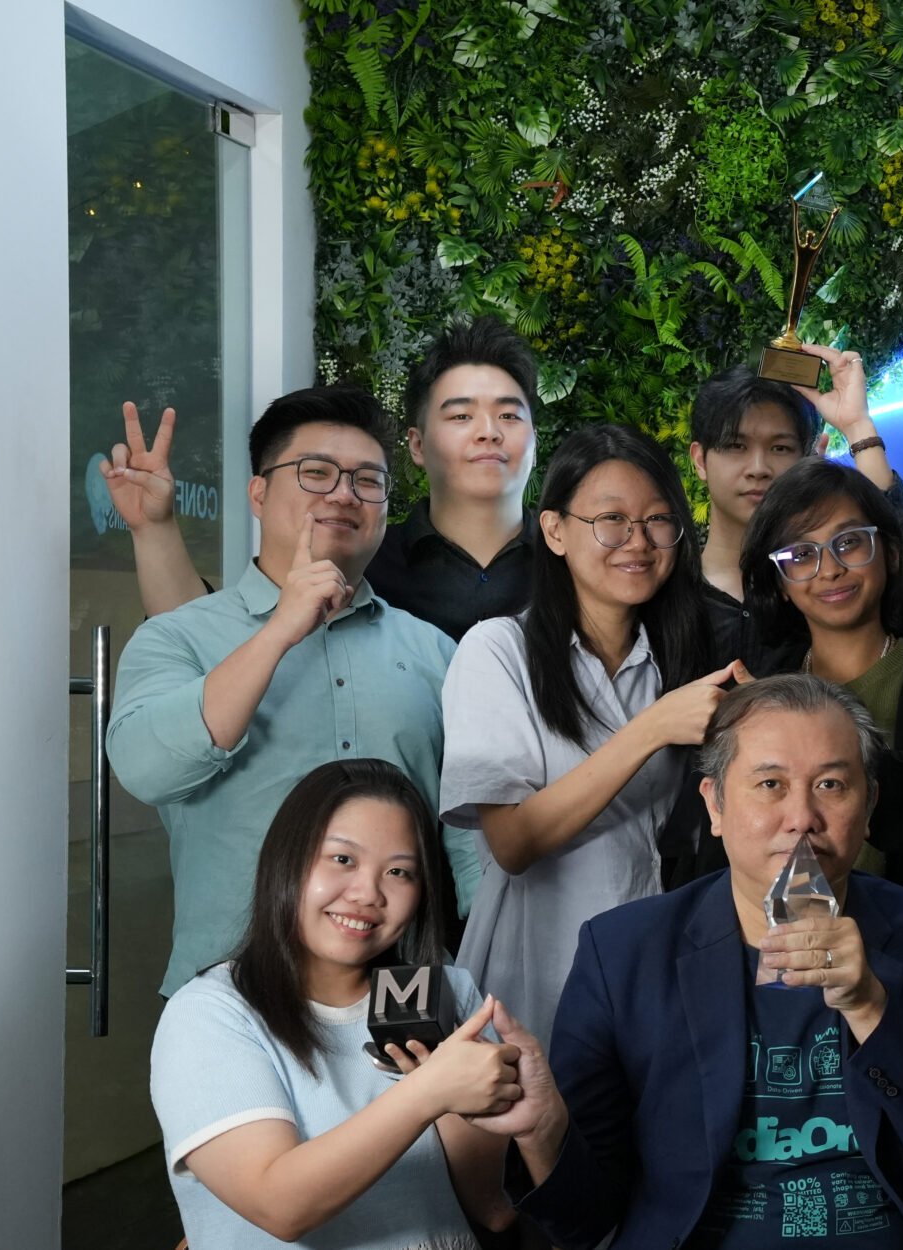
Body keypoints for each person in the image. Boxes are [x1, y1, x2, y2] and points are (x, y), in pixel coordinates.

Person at [477, 673, 903, 1248]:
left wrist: (872, 1008)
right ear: (713, 804)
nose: (802, 817)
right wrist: (542, 1131)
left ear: (870, 806)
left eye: (832, 784)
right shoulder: (623, 954)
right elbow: (584, 1222)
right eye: (769, 784)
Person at [108, 386, 466, 995]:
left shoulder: (435, 652)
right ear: (258, 493)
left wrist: (482, 974)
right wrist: (280, 629)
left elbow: (467, 838)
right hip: (228, 990)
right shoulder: (177, 636)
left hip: (399, 999)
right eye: (316, 473)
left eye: (367, 480)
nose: (344, 494)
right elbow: (147, 771)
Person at [440, 424, 741, 1046]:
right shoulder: (498, 651)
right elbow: (513, 843)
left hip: (654, 973)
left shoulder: (680, 659)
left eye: (658, 521)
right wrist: (652, 730)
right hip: (533, 982)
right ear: (554, 531)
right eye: (611, 520)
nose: (638, 541)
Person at [149, 758, 524, 1250]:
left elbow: (487, 1207)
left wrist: (466, 1106)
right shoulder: (210, 1014)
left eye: (398, 872)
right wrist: (428, 1093)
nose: (368, 893)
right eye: (342, 859)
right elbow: (280, 1206)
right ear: (286, 859)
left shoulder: (449, 992)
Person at [102, 316, 542, 638]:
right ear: (418, 445)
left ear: (535, 440)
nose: (489, 432)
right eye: (462, 415)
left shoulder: (579, 556)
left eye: (508, 414)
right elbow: (210, 639)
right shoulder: (356, 550)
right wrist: (154, 529)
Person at [742, 458, 903, 904]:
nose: (830, 568)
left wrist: (821, 735)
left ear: (891, 554)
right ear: (779, 582)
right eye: (801, 554)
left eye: (850, 543)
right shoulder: (761, 684)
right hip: (782, 943)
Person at [688, 365, 820, 606]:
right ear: (700, 460)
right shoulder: (665, 596)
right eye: (735, 446)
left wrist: (858, 428)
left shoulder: (832, 585)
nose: (758, 468)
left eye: (780, 448)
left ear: (806, 459)